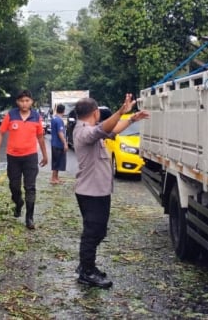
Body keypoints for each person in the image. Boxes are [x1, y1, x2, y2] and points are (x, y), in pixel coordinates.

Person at [72, 94, 149, 289]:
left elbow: (112, 130)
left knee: (99, 231)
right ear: (96, 112)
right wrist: (121, 111)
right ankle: (87, 271)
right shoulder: (83, 131)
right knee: (92, 232)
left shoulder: (93, 131)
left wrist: (130, 119)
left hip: (98, 190)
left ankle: (86, 265)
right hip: (90, 192)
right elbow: (104, 127)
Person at [0, 90, 48, 230]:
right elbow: (1, 133)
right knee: (14, 186)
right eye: (22, 101)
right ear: (17, 102)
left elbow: (40, 137)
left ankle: (29, 218)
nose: (24, 103)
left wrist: (45, 155)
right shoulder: (11, 115)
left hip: (30, 157)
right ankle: (18, 203)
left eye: (27, 101)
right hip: (13, 157)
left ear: (31, 102)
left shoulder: (36, 117)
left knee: (30, 187)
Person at [50, 104, 68, 184]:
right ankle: (54, 178)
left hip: (54, 143)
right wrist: (65, 143)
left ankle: (56, 177)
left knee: (56, 161)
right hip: (58, 144)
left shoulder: (54, 118)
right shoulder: (59, 120)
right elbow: (60, 133)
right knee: (57, 161)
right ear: (64, 111)